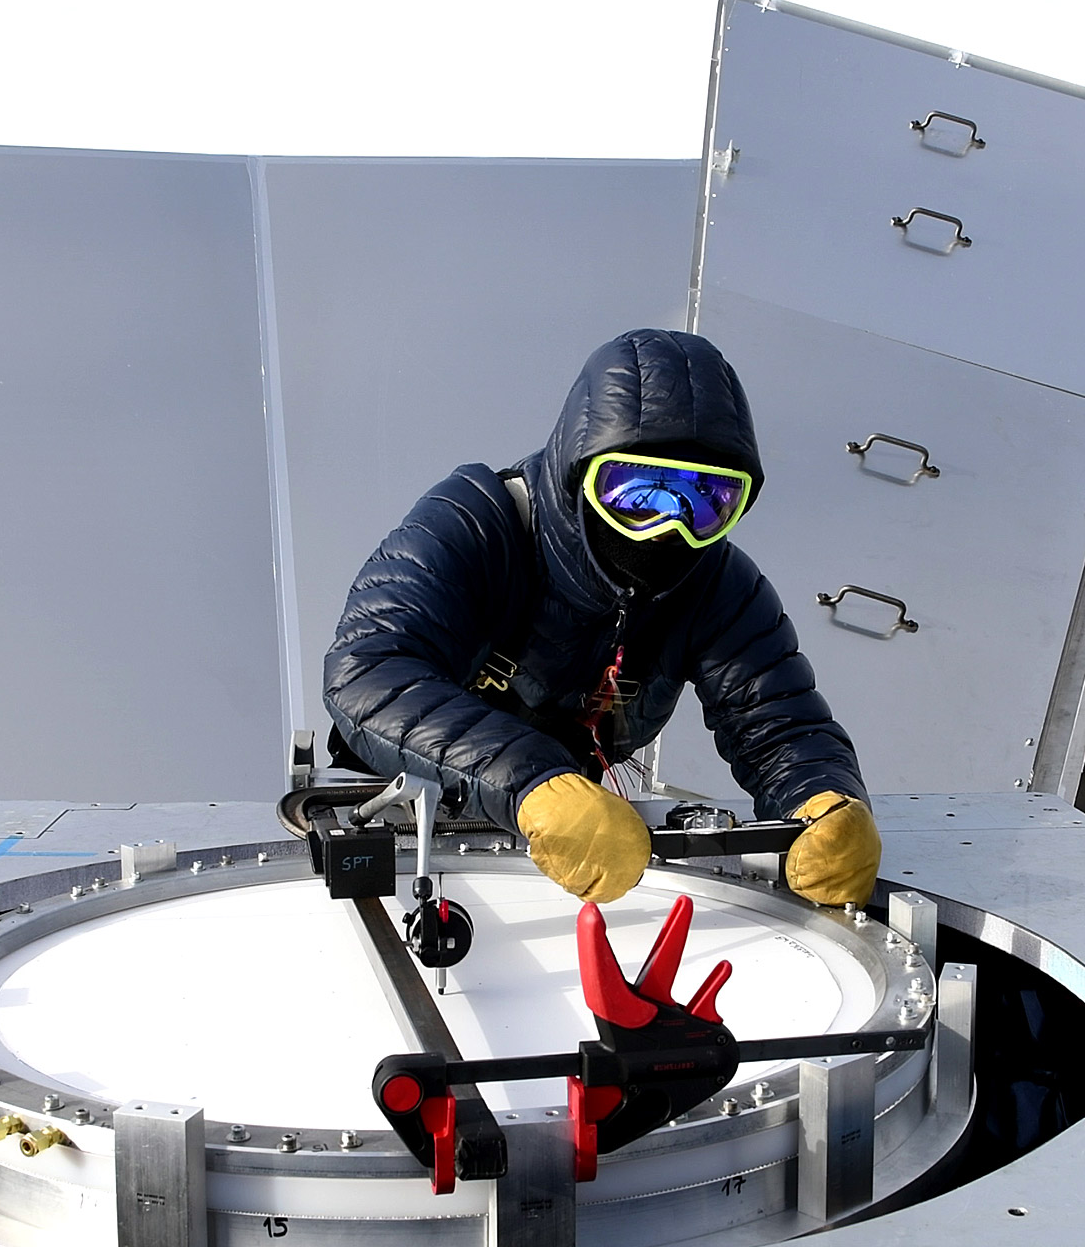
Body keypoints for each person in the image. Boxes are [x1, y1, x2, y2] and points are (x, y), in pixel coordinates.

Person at [323, 329, 878, 907]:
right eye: (639, 492)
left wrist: (824, 800)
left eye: (705, 500)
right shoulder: (477, 523)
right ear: (577, 473)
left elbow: (780, 725)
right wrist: (532, 781)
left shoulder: (718, 586)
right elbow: (369, 671)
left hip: (575, 836)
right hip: (397, 810)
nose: (668, 527)